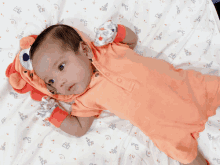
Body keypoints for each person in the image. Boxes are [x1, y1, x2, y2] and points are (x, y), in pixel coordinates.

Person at [7, 20, 211, 165]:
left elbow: (132, 41)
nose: (59, 81)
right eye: (51, 81)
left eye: (61, 67)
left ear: (85, 51)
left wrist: (117, 31)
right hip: (164, 127)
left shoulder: (108, 50)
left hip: (186, 86)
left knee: (211, 87)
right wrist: (54, 115)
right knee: (183, 153)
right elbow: (79, 128)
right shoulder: (84, 100)